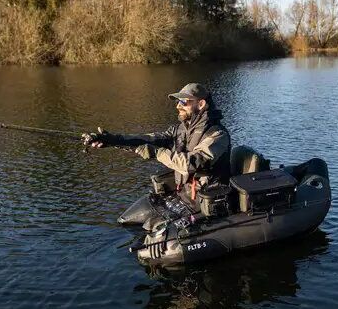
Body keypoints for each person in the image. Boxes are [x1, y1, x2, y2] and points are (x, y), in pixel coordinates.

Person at [82, 82, 231, 225]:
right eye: (178, 101)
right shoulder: (181, 129)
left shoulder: (217, 134)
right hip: (184, 194)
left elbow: (191, 163)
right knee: (127, 220)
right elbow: (149, 139)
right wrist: (113, 140)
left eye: (184, 102)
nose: (178, 105)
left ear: (201, 104)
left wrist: (156, 153)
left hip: (204, 198)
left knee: (151, 228)